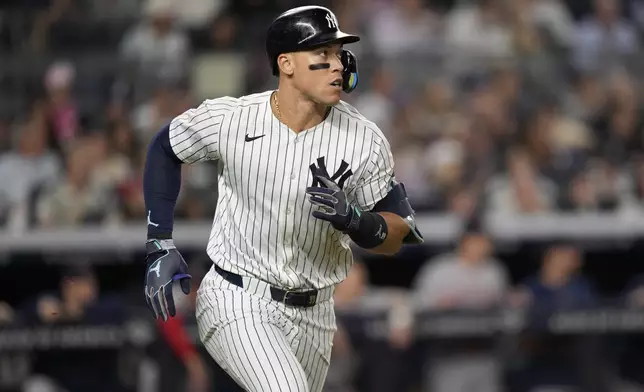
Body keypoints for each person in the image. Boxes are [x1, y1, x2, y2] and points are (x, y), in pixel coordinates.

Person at [141, 5, 424, 392]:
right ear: (286, 64)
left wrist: (358, 220)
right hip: (237, 296)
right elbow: (165, 147)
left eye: (338, 53)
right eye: (321, 55)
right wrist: (160, 239)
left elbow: (401, 232)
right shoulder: (234, 118)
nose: (337, 64)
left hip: (317, 313)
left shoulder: (364, 138)